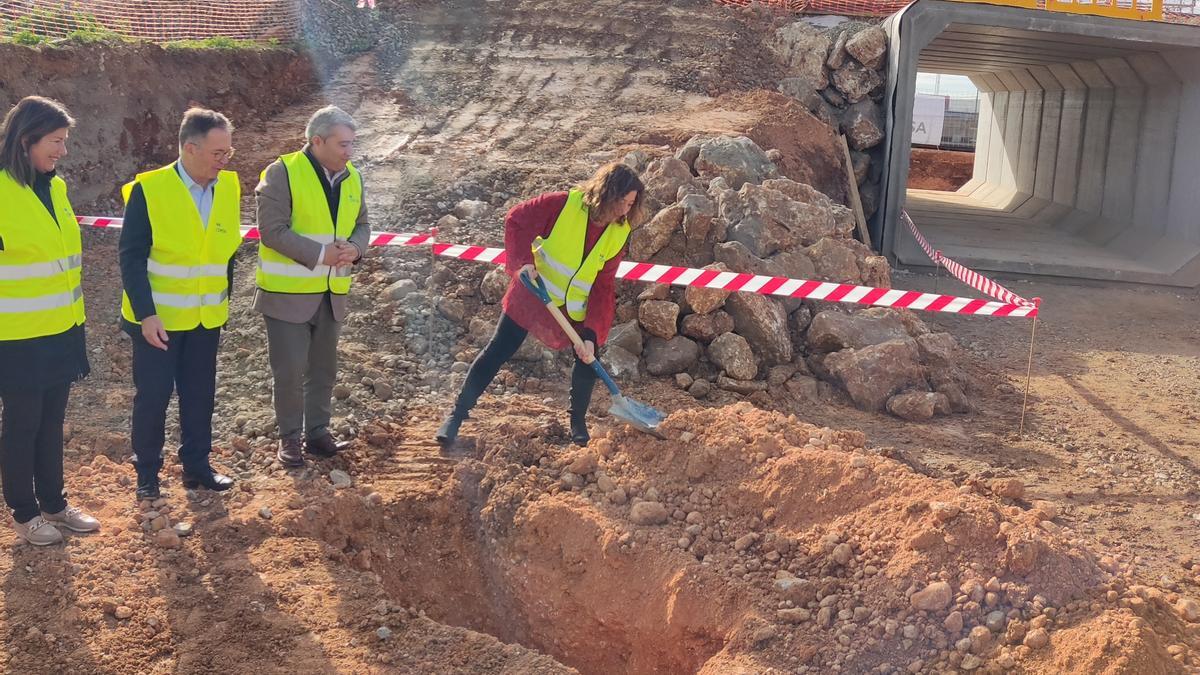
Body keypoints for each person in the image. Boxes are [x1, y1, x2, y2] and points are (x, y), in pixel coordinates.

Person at [436, 162, 645, 449]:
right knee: (498, 351)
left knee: (587, 356)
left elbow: (603, 284)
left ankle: (577, 425)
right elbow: (517, 220)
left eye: (630, 204)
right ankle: (455, 417)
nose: (624, 210)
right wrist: (523, 262)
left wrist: (592, 333)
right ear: (605, 193)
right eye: (621, 201)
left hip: (575, 306)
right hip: (535, 294)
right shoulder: (563, 205)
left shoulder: (619, 231)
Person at [118, 108, 242, 500]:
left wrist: (223, 300)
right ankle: (148, 474)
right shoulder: (149, 190)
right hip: (159, 322)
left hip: (206, 318)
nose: (224, 160)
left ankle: (197, 467)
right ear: (190, 148)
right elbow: (131, 256)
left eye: (228, 152)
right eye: (217, 152)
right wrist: (146, 315)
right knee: (153, 397)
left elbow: (226, 252)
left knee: (200, 394)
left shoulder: (228, 187)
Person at [0, 96, 100, 545]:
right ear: (26, 141)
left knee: (52, 420)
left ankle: (54, 504)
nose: (62, 151)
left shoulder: (54, 188)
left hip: (61, 327)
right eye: (55, 142)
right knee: (23, 423)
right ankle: (24, 514)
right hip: (16, 336)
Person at [254, 105, 370, 468]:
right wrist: (322, 254)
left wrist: (356, 248)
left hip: (332, 293)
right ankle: (289, 438)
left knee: (323, 368)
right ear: (316, 141)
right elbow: (272, 231)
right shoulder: (282, 172)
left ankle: (317, 432)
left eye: (352, 144)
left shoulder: (352, 177)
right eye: (342, 144)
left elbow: (363, 224)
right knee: (288, 370)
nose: (349, 152)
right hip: (287, 295)